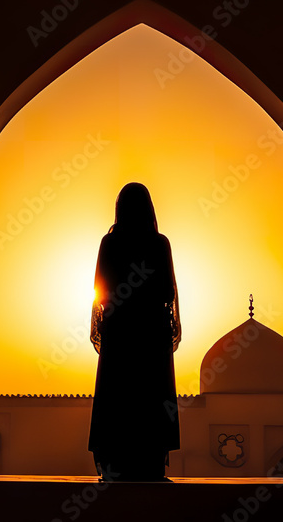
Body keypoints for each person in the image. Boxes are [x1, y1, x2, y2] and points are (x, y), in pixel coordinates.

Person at [88, 182, 181, 482]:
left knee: (118, 396)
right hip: (151, 336)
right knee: (150, 396)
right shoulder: (159, 243)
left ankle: (117, 461)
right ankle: (149, 461)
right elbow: (167, 290)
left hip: (121, 336)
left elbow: (100, 291)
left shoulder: (110, 243)